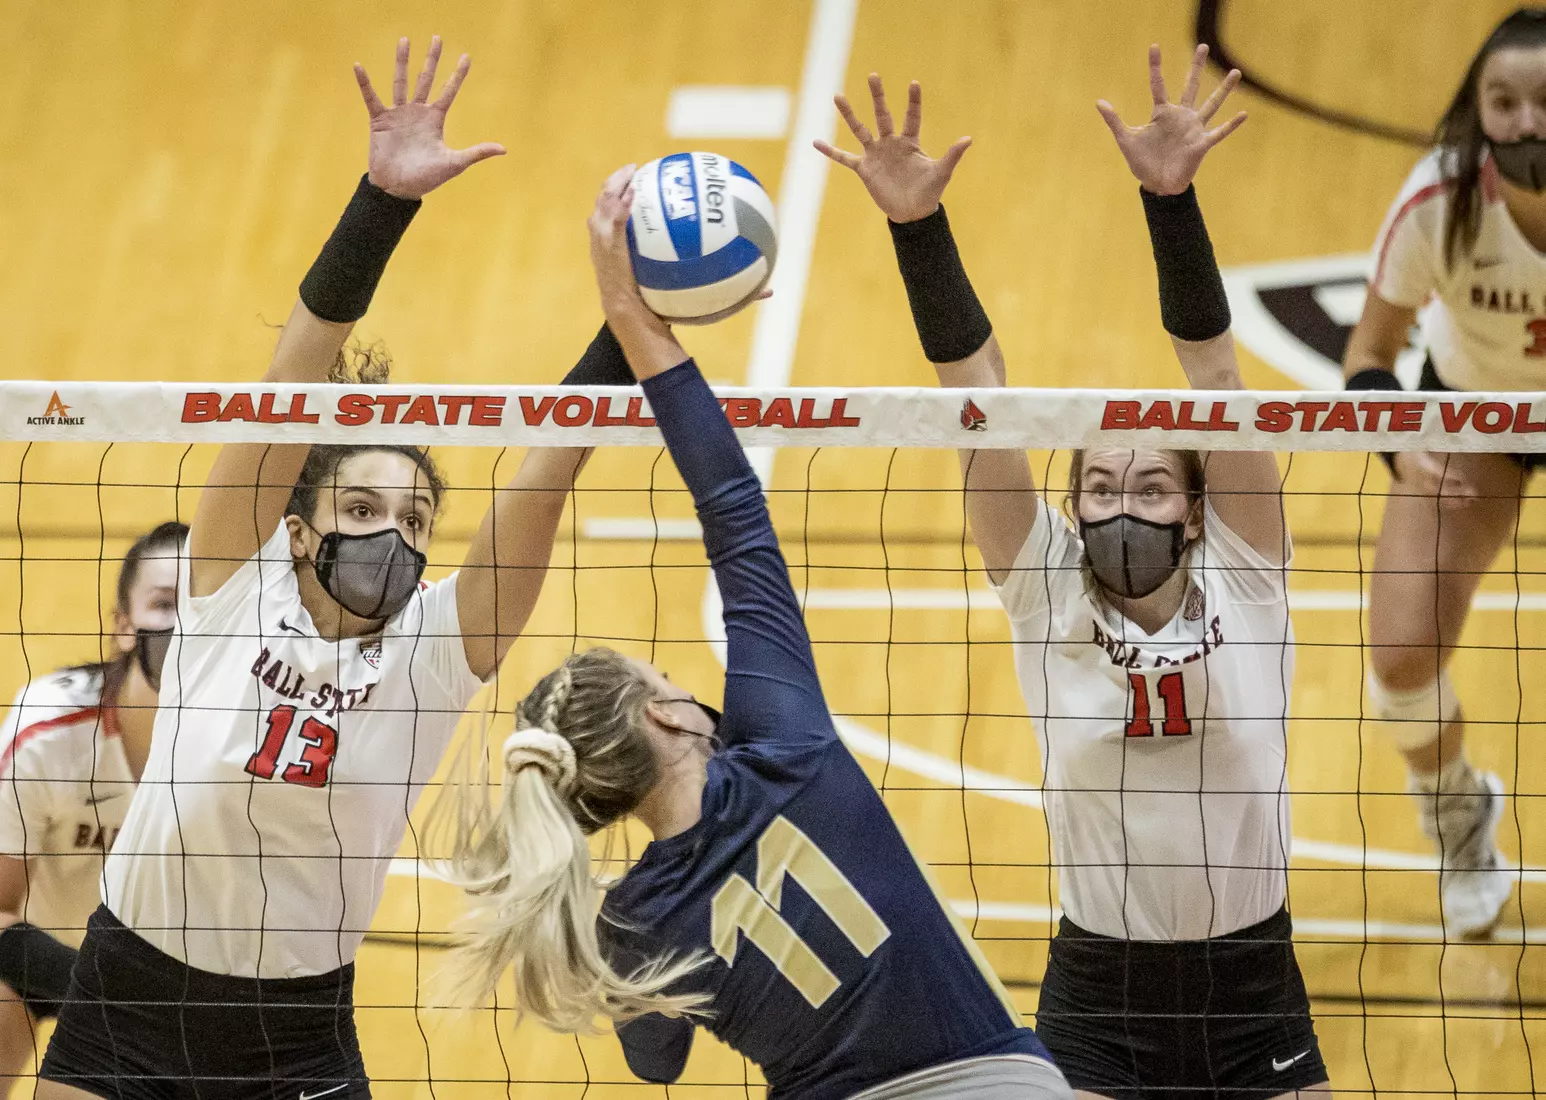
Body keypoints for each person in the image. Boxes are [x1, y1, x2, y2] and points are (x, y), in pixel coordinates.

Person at [35, 37, 635, 1100]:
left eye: (414, 519)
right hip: (129, 999)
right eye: (361, 508)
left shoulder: (436, 650)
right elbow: (291, 374)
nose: (391, 534)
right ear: (300, 528)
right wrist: (382, 202)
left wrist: (628, 324)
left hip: (296, 1035)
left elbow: (548, 472)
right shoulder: (234, 581)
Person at [424, 166, 1073, 1100]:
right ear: (668, 717)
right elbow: (734, 509)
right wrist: (637, 324)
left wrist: (625, 923)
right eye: (670, 684)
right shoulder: (785, 749)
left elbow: (657, 1063)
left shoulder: (635, 923)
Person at [817, 48, 1330, 1099]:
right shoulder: (1044, 586)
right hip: (1101, 994)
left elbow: (1216, 373)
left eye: (1153, 486)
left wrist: (1170, 205)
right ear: (1073, 505)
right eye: (1099, 486)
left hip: (1252, 990)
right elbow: (976, 396)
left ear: (1197, 510)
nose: (1123, 505)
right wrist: (917, 228)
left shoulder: (1247, 574)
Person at [1340, 7, 1546, 938]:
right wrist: (1399, 443)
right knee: (1401, 660)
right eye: (1503, 102)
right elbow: (1370, 353)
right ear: (1479, 110)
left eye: (1545, 101)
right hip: (1474, 414)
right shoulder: (1440, 200)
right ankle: (1461, 819)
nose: (1526, 122)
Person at [0, 522, 183, 1096]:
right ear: (124, 625)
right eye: (165, 604)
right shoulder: (50, 730)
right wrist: (91, 992)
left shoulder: (252, 750)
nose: (185, 626)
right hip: (32, 960)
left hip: (162, 989)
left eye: (204, 606)